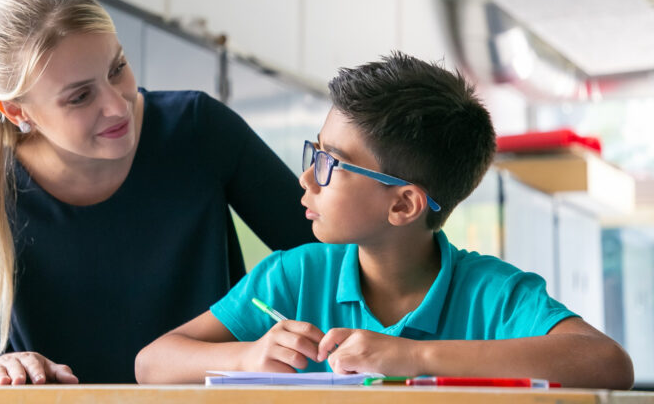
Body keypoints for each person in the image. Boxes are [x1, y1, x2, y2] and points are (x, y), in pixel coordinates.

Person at [134, 52, 634, 389]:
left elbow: (609, 365)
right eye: (315, 152)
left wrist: (413, 357)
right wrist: (243, 357)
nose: (307, 178)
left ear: (404, 205)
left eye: (330, 163)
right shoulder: (294, 276)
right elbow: (151, 363)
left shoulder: (493, 296)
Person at [0, 0, 315, 385]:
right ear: (18, 113)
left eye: (117, 68)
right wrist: (0, 368)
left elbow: (330, 252)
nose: (117, 104)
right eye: (80, 96)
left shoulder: (198, 129)